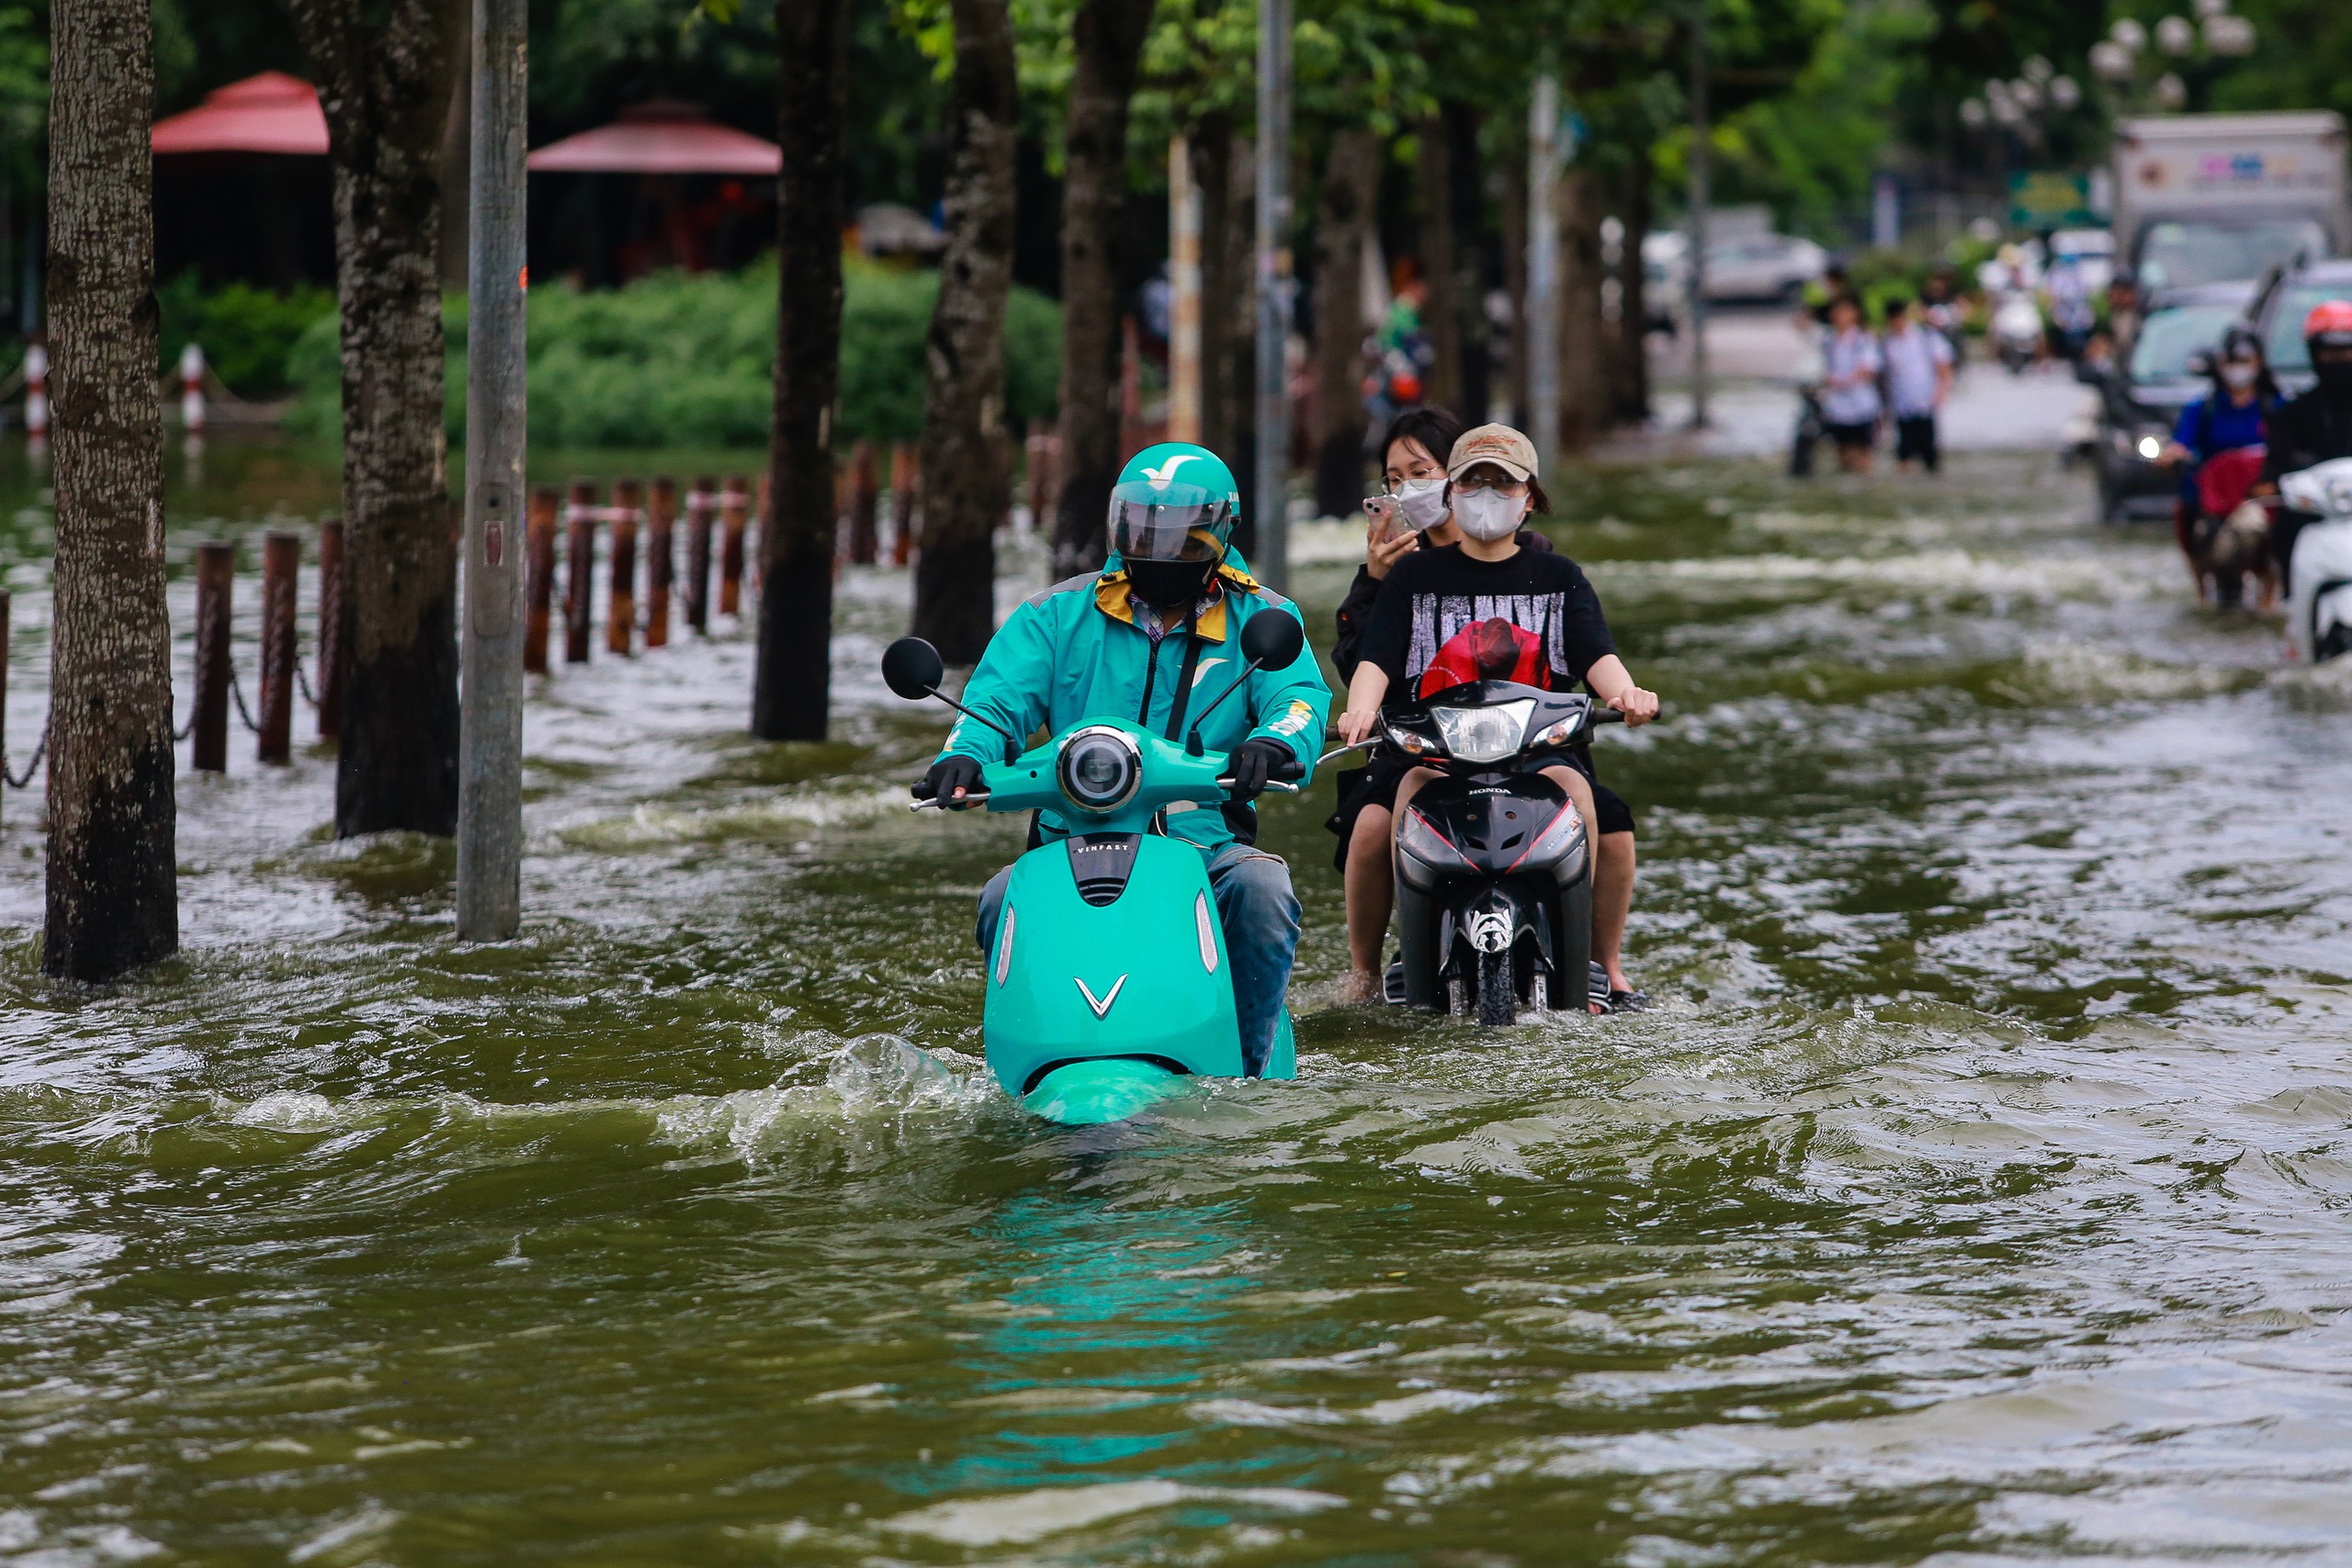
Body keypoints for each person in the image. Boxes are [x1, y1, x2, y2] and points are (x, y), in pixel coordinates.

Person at [913, 443, 1329, 1075]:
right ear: (1118, 526)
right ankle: (1018, 1067)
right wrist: (966, 756)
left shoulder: (1265, 617)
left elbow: (1297, 700)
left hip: (1205, 849)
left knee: (1262, 887)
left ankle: (1249, 1063)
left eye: (1181, 536)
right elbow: (995, 702)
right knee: (1002, 896)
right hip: (1067, 845)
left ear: (1221, 532)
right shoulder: (1054, 616)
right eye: (1143, 530)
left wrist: (1274, 743)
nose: (1160, 550)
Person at [1333, 424, 1660, 1012]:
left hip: (1538, 756)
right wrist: (1361, 709)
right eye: (1473, 482)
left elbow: (1596, 654)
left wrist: (1629, 693)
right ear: (1453, 492)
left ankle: (1584, 963)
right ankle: (1391, 966)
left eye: (1502, 484)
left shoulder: (1559, 577)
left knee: (1580, 797)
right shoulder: (1412, 577)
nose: (1487, 495)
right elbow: (1377, 656)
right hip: (1434, 757)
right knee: (1399, 798)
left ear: (1529, 496)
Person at [2159, 324, 2278, 609]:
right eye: (2232, 362)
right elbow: (2180, 446)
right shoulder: (2202, 409)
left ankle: (2269, 596)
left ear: (2259, 363)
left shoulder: (2276, 408)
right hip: (2215, 503)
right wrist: (2170, 456)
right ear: (2221, 365)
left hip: (2260, 498)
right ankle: (2203, 590)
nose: (2239, 369)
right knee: (2187, 512)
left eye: (2245, 361)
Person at [2256, 300, 2352, 593]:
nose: (2337, 359)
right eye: (2328, 352)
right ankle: (2294, 607)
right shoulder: (2296, 410)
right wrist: (2271, 484)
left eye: (2345, 351)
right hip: (2316, 514)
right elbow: (2274, 466)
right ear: (2314, 354)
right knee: (2286, 528)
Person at [1880, 296, 1954, 475]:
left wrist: (1942, 391)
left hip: (1925, 400)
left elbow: (1943, 365)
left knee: (1929, 451)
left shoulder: (1924, 336)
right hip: (1901, 403)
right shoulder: (1887, 342)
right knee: (1903, 451)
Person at [1817, 295, 1883, 473]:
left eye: (1844, 311)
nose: (1839, 315)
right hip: (1837, 406)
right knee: (1842, 452)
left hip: (1861, 405)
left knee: (1864, 452)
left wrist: (1841, 381)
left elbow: (1868, 370)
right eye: (1836, 311)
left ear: (1855, 314)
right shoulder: (1827, 340)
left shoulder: (1864, 339)